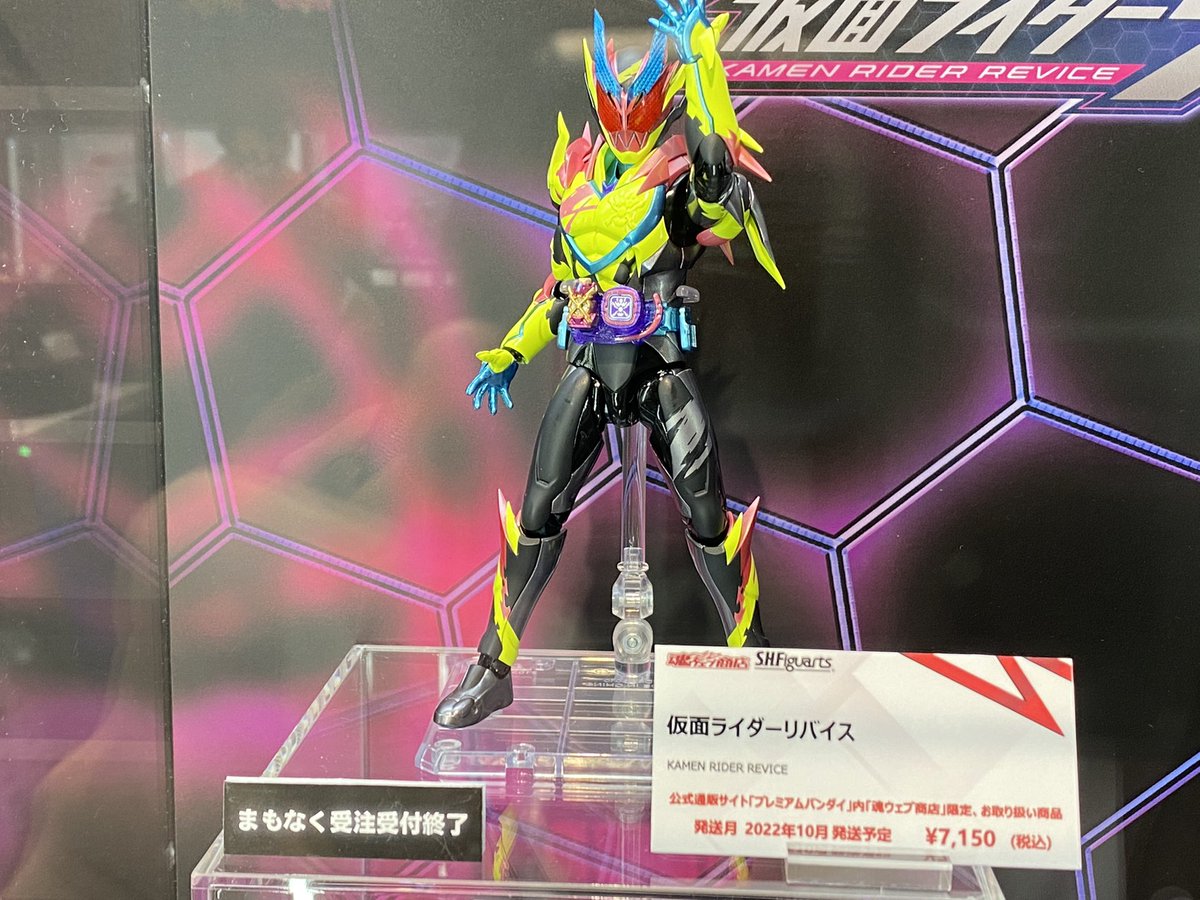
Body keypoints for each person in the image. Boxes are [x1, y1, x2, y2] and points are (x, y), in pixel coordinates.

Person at [434, 0, 786, 728]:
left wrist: (705, 65)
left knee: (708, 519)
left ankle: (753, 665)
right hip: (592, 366)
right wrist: (511, 350)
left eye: (640, 108)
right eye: (615, 106)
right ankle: (492, 668)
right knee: (536, 516)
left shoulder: (679, 186)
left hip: (660, 368)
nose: (626, 121)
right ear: (598, 101)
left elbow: (717, 177)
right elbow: (559, 291)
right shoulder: (575, 185)